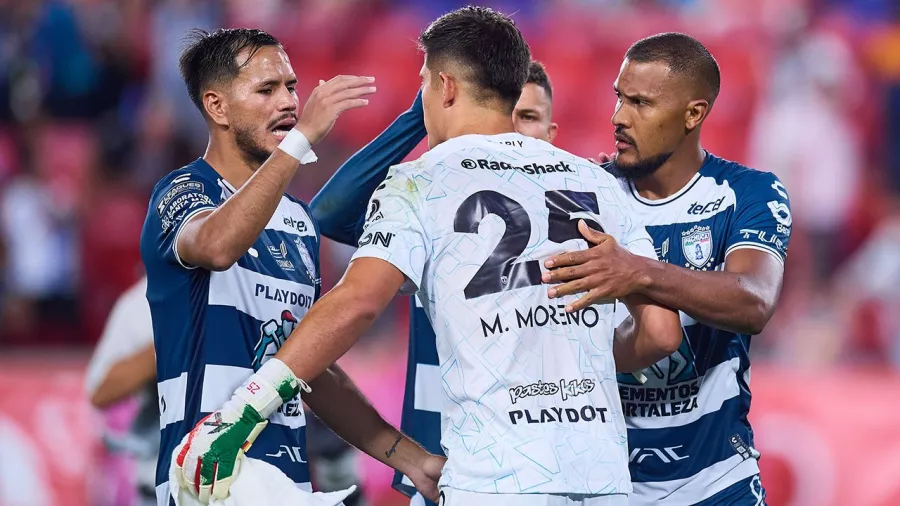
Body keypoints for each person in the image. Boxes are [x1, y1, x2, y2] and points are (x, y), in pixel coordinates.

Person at [175, 7, 683, 506]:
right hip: (603, 474)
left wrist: (246, 408)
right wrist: (578, 357)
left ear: (444, 88)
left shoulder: (420, 183)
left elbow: (357, 303)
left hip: (495, 480)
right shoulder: (597, 182)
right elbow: (662, 333)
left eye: (421, 83)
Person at [140, 28, 442, 505]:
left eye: (290, 87)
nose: (288, 102)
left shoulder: (297, 221)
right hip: (206, 479)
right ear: (217, 107)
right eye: (266, 89)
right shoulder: (181, 192)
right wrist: (300, 141)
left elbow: (310, 367)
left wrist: (412, 460)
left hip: (288, 481)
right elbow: (218, 246)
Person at [541, 33, 792, 505]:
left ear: (693, 114)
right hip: (603, 485)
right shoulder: (588, 193)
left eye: (640, 103)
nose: (619, 116)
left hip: (717, 481)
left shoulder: (748, 192)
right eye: (619, 96)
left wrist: (636, 272)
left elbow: (754, 301)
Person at [309, 59, 561, 506]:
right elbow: (331, 213)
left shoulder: (570, 216)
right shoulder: (428, 214)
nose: (510, 129)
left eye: (526, 117)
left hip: (541, 467)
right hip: (442, 468)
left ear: (551, 133)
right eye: (503, 114)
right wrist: (416, 120)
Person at [85, 276, 158, 506]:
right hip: (160, 485)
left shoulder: (262, 280)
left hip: (250, 482)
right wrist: (167, 345)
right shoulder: (140, 301)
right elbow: (99, 391)